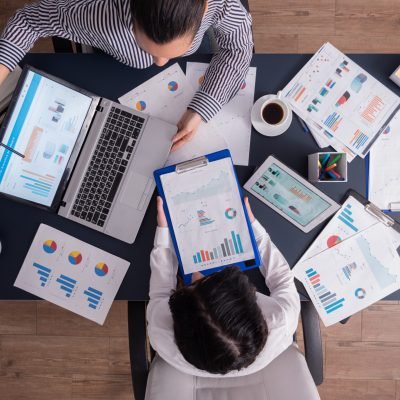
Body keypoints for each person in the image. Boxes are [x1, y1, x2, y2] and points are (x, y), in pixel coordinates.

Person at [0, 0, 253, 151]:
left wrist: (201, 108)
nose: (160, 63)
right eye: (147, 47)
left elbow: (239, 45)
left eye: (173, 51)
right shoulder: (97, 15)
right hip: (111, 70)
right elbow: (28, 21)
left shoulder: (219, 4)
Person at [147, 196, 300, 377]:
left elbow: (161, 292)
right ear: (249, 297)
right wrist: (252, 227)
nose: (198, 271)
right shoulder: (282, 319)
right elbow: (282, 279)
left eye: (193, 283)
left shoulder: (161, 332)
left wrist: (164, 233)